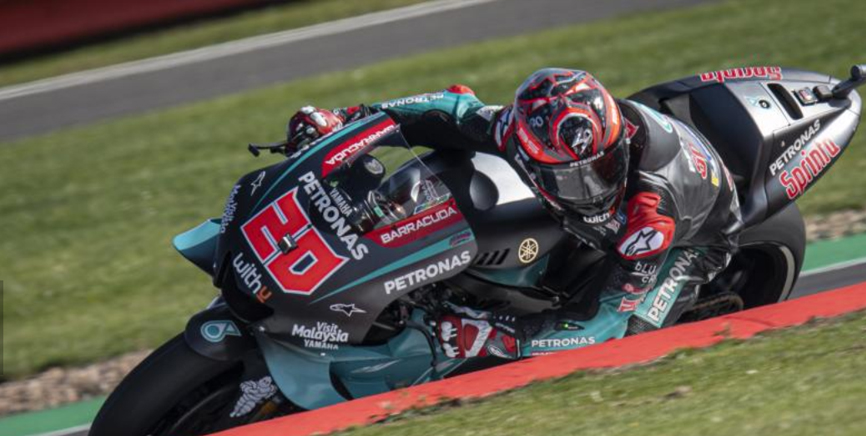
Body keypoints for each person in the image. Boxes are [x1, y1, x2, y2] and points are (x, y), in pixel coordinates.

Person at [285, 68, 743, 359]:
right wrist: (344, 120)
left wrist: (496, 338)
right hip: (626, 204)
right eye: (571, 179)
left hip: (697, 239)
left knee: (624, 345)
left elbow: (603, 324)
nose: (591, 189)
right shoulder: (523, 130)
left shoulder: (650, 217)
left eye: (601, 169)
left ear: (618, 144)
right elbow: (449, 109)